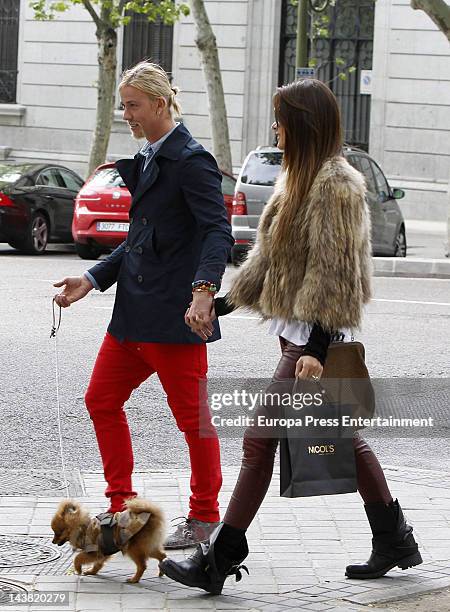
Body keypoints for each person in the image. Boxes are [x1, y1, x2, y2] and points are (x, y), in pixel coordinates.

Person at [160, 79, 422, 593]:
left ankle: (220, 557)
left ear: (302, 122)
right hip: (298, 335)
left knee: (259, 441)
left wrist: (317, 350)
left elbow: (336, 272)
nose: (274, 128)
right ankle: (394, 538)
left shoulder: (336, 185)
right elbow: (269, 264)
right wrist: (224, 305)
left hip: (313, 339)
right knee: (345, 438)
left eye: (280, 118)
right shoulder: (297, 178)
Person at [53, 62, 234, 549]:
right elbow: (139, 237)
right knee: (100, 401)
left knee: (193, 420)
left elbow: (218, 231)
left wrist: (204, 290)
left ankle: (204, 517)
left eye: (132, 105)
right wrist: (91, 278)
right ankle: (122, 512)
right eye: (123, 105)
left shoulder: (192, 160)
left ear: (159, 103)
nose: (126, 114)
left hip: (175, 321)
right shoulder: (151, 155)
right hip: (131, 318)